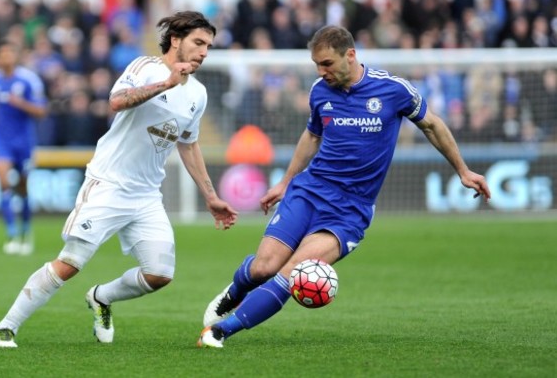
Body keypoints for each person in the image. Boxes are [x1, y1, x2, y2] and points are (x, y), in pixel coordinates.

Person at [197, 25, 491, 348]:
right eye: (316, 65)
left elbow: (432, 125)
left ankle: (220, 331)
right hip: (308, 192)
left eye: (326, 64)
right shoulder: (319, 92)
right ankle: (234, 292)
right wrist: (285, 182)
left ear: (350, 56)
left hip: (349, 211)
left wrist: (462, 170)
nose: (321, 72)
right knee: (264, 266)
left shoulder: (393, 90)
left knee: (294, 270)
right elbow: (311, 136)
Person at [0, 11, 238, 348]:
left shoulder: (198, 94)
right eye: (198, 42)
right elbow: (116, 102)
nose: (204, 51)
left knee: (160, 274)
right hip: (109, 183)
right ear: (176, 40)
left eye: (208, 45)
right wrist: (165, 83)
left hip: (147, 195)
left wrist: (210, 196)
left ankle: (101, 297)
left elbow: (188, 145)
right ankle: (6, 327)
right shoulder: (144, 67)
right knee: (71, 261)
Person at [0, 40, 47, 255]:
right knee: (2, 181)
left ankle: (25, 232)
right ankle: (11, 235)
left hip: (24, 141)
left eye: (9, 53)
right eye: (1, 54)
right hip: (1, 139)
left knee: (22, 187)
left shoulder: (29, 80)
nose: (5, 57)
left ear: (15, 57)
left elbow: (41, 111)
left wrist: (20, 103)